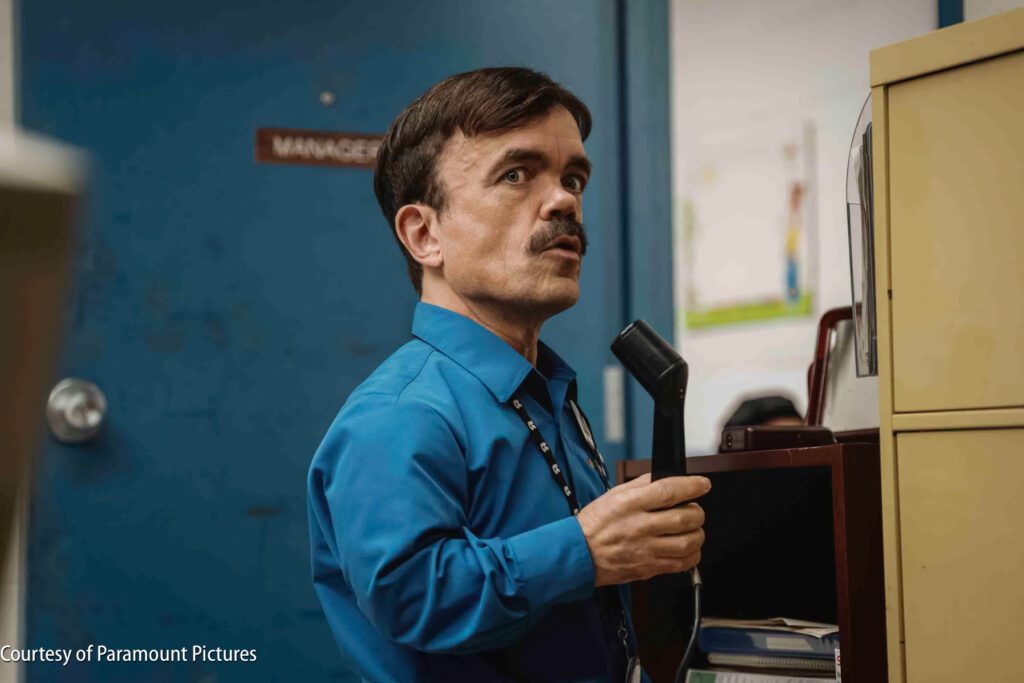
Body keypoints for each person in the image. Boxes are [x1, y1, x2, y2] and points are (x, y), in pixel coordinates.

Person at [307, 67, 709, 683]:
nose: (565, 201)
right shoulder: (399, 415)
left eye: (573, 177)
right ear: (424, 233)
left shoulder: (547, 395)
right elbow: (411, 598)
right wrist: (584, 549)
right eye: (516, 174)